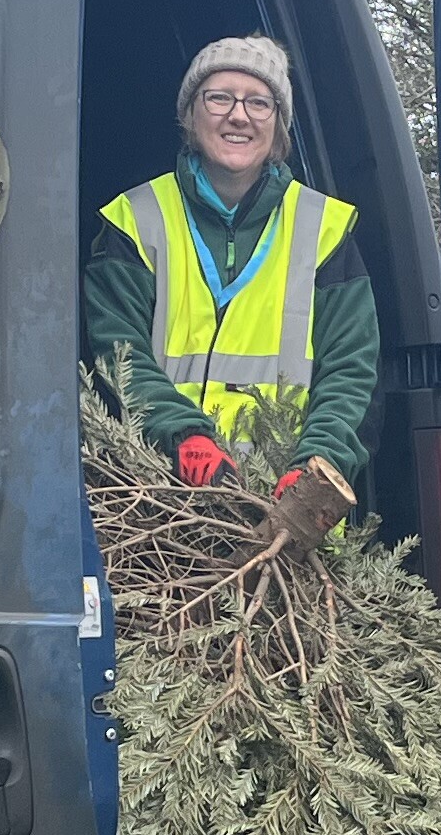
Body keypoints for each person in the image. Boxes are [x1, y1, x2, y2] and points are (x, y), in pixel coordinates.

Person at [83, 34, 376, 501]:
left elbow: (350, 371)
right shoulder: (133, 221)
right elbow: (117, 352)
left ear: (279, 126)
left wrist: (315, 469)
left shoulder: (326, 230)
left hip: (286, 518)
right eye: (219, 97)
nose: (238, 115)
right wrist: (184, 437)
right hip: (158, 508)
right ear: (189, 114)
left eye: (259, 102)